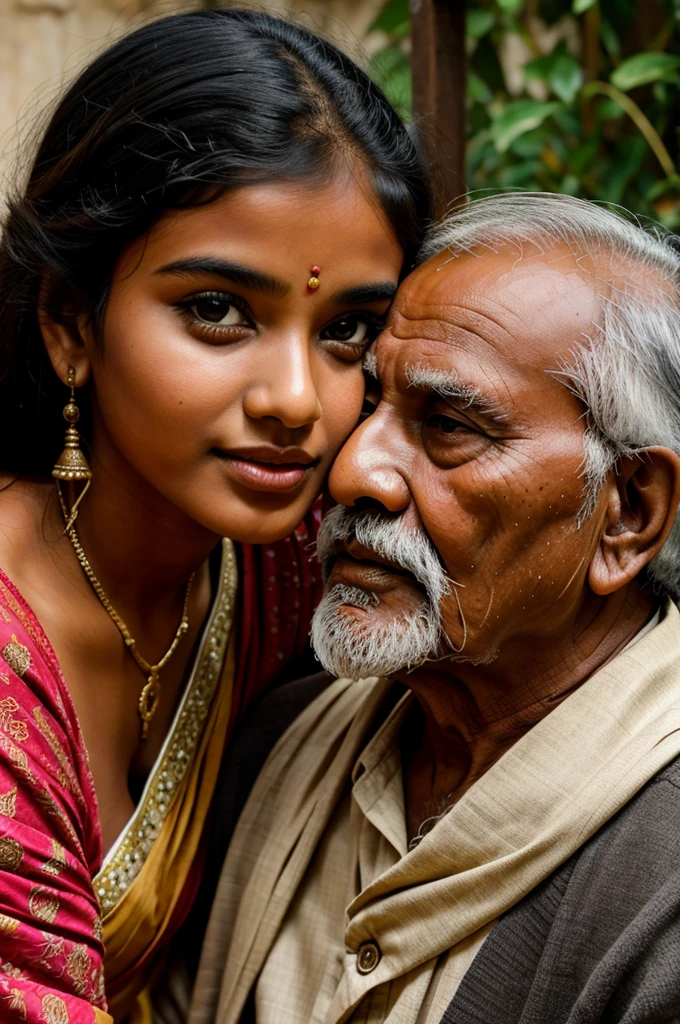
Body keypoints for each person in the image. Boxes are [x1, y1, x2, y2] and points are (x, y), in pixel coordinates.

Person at [0, 9, 431, 1022]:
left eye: (347, 329)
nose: (295, 398)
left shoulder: (274, 563)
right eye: (216, 310)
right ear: (70, 323)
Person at [191, 192, 680, 1024]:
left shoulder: (658, 890)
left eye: (450, 426)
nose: (351, 473)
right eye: (371, 402)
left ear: (629, 512)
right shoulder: (277, 744)